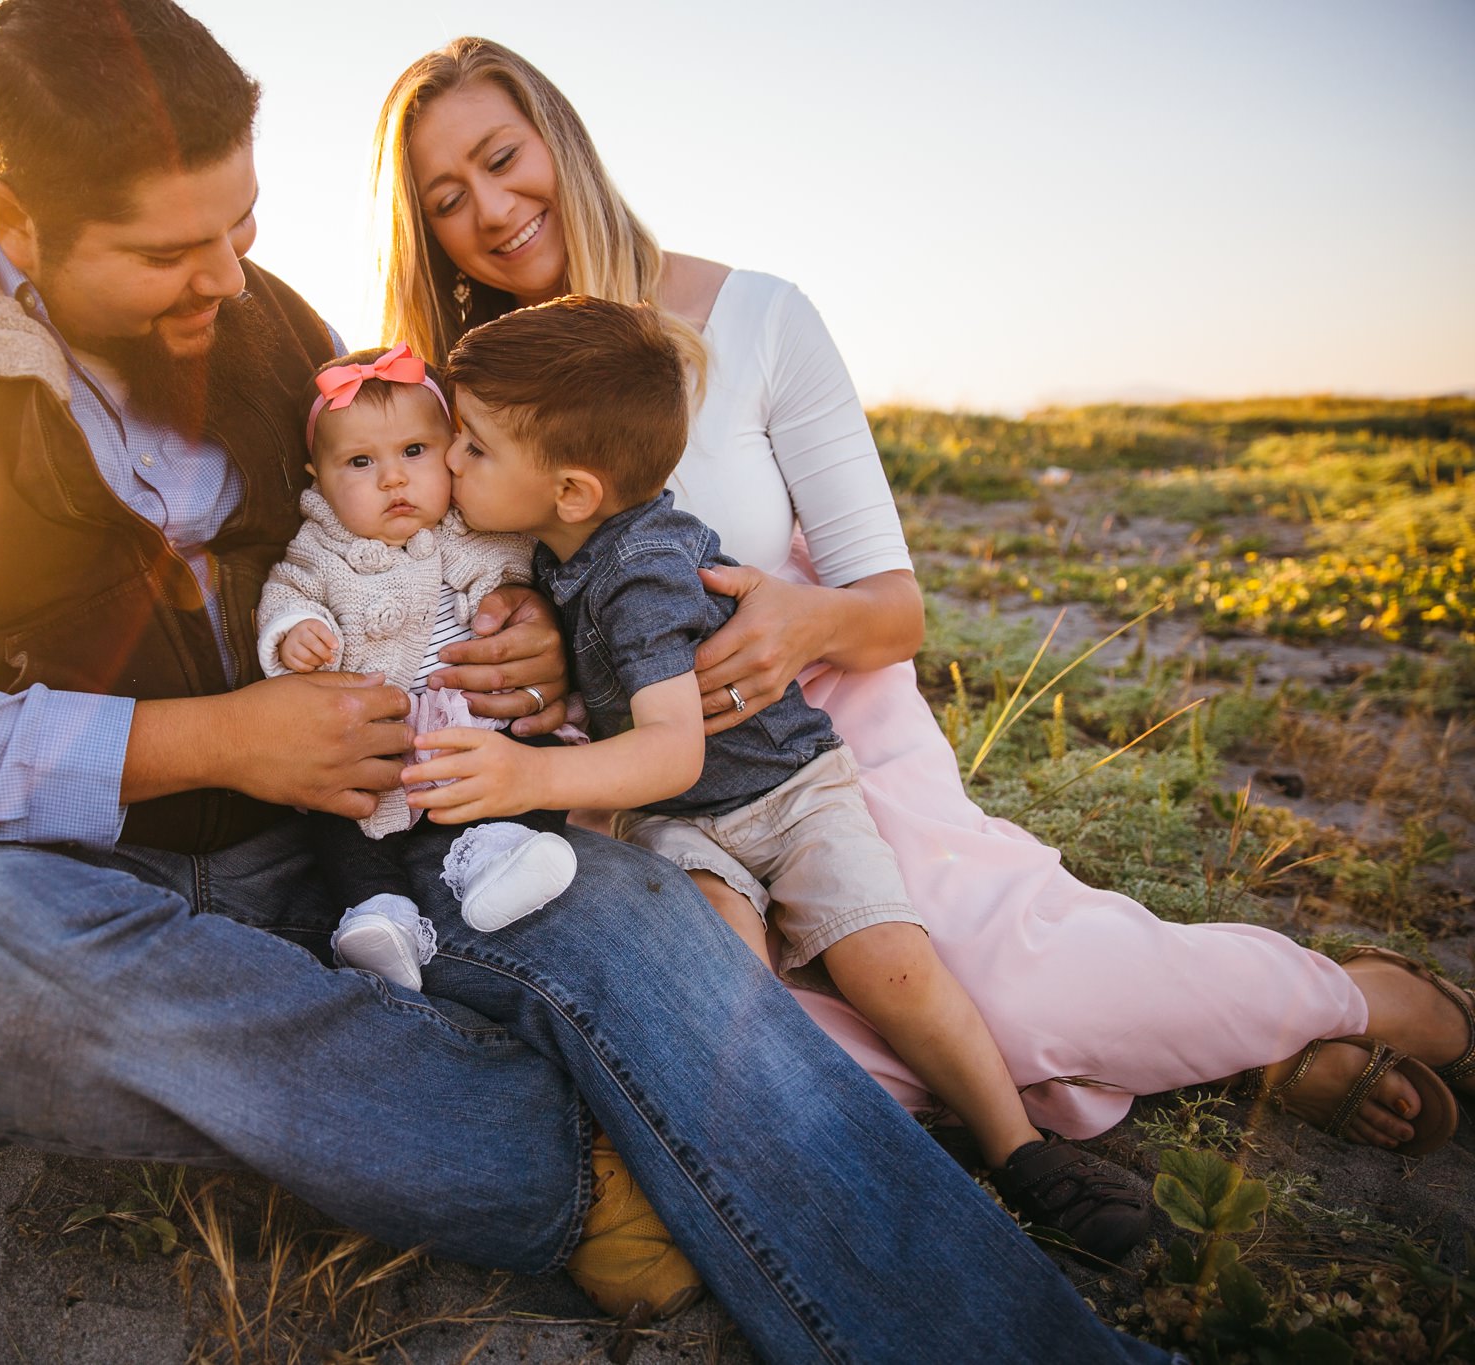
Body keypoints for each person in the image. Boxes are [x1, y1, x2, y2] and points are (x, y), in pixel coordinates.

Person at [0, 1, 1183, 1357]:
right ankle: (588, 1160)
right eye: (170, 252)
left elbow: (450, 522)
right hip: (67, 894)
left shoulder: (270, 332)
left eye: (241, 227)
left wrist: (525, 635)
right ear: (13, 214)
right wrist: (209, 739)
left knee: (621, 910)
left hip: (382, 836)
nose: (224, 279)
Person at [375, 35, 1471, 1157]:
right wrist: (537, 646)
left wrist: (796, 617)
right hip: (626, 786)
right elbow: (426, 594)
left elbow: (895, 610)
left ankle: (1336, 996)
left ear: (560, 139)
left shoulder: (753, 317)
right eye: (447, 198)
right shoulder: (439, 399)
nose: (491, 209)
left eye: (504, 158)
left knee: (1002, 990)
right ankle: (1216, 1047)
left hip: (820, 737)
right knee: (741, 1042)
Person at [418, 293, 1152, 1258]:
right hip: (677, 819)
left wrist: (520, 778)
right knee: (719, 971)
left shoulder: (640, 569)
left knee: (888, 958)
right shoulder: (554, 542)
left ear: (573, 491)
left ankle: (1017, 1144)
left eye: (471, 446)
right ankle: (783, 1154)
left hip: (784, 790)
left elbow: (672, 748)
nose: (451, 462)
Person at [257, 343, 578, 988]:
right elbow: (289, 588)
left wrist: (532, 612)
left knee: (529, 767)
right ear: (316, 477)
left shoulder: (481, 525)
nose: (393, 479)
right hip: (379, 744)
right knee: (342, 821)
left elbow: (529, 581)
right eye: (359, 462)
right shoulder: (322, 545)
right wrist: (293, 630)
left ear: (452, 450)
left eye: (413, 452)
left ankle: (497, 856)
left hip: (473, 726)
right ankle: (380, 914)